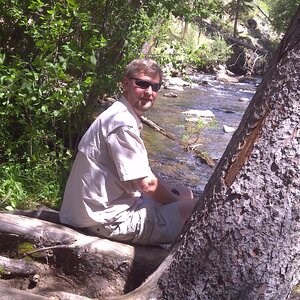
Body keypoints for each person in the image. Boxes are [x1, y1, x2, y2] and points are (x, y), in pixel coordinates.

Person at [59, 58, 196, 246]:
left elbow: (143, 176)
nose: (149, 92)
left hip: (92, 211)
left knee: (186, 192)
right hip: (105, 221)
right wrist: (174, 202)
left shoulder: (120, 113)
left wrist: (176, 197)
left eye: (155, 87)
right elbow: (147, 185)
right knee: (192, 208)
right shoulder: (122, 124)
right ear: (125, 84)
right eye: (142, 84)